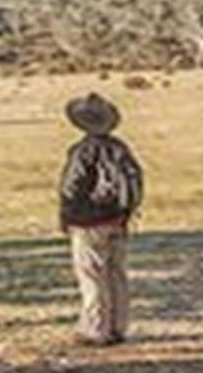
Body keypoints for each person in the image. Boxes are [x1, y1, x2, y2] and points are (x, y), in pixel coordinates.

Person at [57, 91, 144, 346]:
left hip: (89, 222)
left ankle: (96, 329)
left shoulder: (82, 151)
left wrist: (67, 216)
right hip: (117, 218)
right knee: (116, 273)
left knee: (92, 275)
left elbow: (71, 189)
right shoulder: (120, 148)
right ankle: (118, 326)